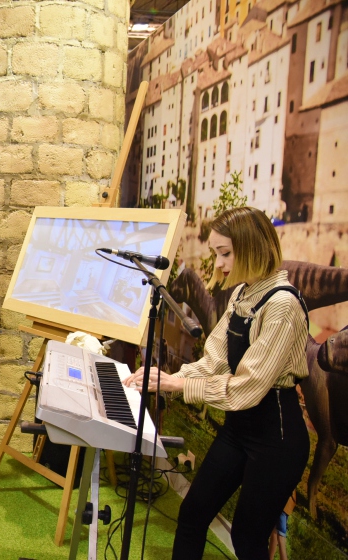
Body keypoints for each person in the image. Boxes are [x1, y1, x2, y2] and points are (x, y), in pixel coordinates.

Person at [123, 206, 310, 560]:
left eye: (225, 253)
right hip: (239, 428)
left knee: (247, 540)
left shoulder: (283, 305)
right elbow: (213, 361)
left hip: (277, 437)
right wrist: (169, 378)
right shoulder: (241, 295)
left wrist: (178, 386)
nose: (219, 264)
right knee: (193, 514)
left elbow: (247, 388)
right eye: (216, 254)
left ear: (251, 247)